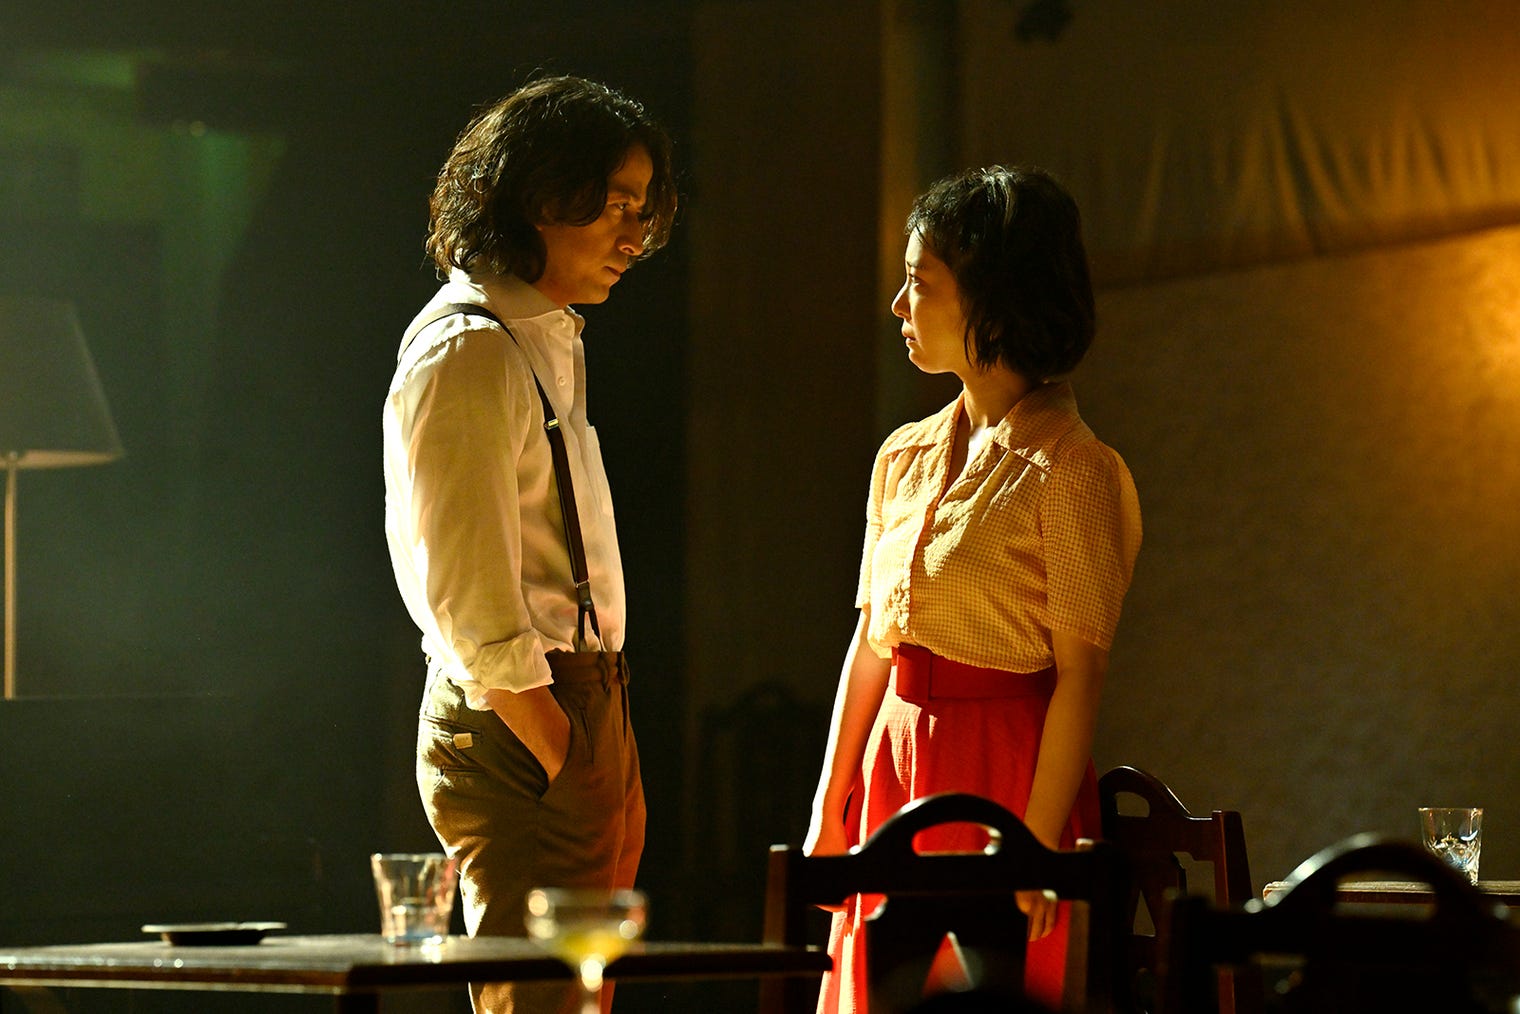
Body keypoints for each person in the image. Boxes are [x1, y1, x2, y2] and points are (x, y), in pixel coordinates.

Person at [804, 166, 1142, 1013]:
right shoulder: (903, 454)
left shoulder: (1073, 468)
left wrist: (1033, 844)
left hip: (1005, 771)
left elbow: (1081, 675)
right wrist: (829, 804)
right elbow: (870, 645)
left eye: (920, 283)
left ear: (993, 298)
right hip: (895, 763)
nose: (898, 305)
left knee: (989, 987)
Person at [382, 75, 677, 1014]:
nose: (634, 237)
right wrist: (561, 748)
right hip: (527, 707)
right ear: (543, 195)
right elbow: (465, 594)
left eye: (641, 209)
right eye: (616, 206)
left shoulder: (536, 337)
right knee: (541, 1002)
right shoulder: (470, 349)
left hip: (583, 697)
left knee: (582, 997)